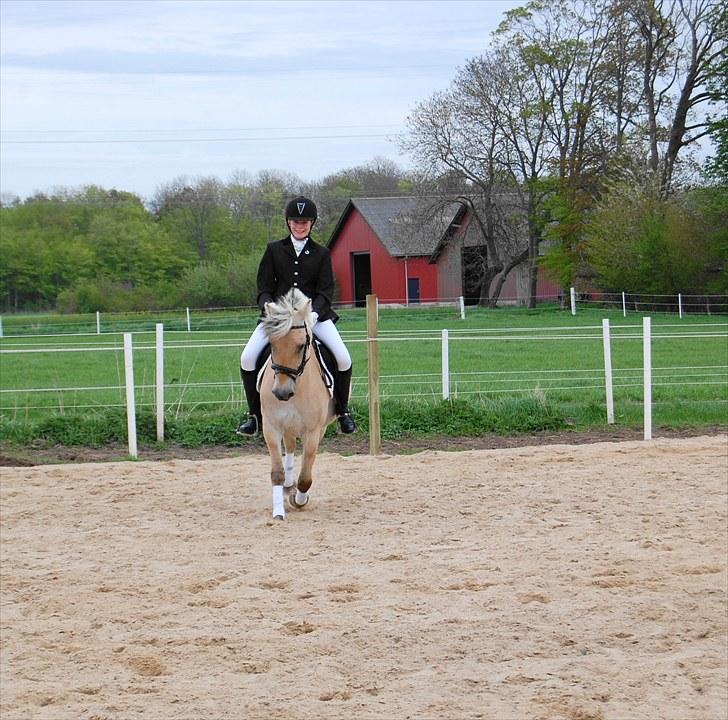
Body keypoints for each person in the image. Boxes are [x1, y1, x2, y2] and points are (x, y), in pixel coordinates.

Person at [236, 195, 356, 436]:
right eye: (295, 222)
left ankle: (343, 411)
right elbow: (264, 289)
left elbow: (325, 292)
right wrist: (269, 307)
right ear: (288, 223)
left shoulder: (321, 253)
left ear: (312, 224)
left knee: (343, 358)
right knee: (247, 357)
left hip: (313, 318)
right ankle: (254, 417)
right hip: (278, 319)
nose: (299, 226)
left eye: (304, 222)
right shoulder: (273, 250)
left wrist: (312, 315)